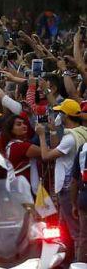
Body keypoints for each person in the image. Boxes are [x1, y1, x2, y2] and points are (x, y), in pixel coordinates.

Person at [40, 98, 87, 254]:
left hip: (68, 188)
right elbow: (56, 148)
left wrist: (41, 135)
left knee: (76, 232)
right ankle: (63, 266)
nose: (58, 116)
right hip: (71, 187)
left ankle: (77, 268)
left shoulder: (69, 138)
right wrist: (52, 130)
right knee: (63, 231)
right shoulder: (82, 132)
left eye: (60, 113)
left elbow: (46, 155)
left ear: (66, 116)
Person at [0, 114, 44, 193]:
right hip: (23, 189)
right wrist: (43, 134)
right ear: (11, 130)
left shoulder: (14, 144)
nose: (24, 126)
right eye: (19, 124)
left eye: (24, 123)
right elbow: (47, 152)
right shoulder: (19, 146)